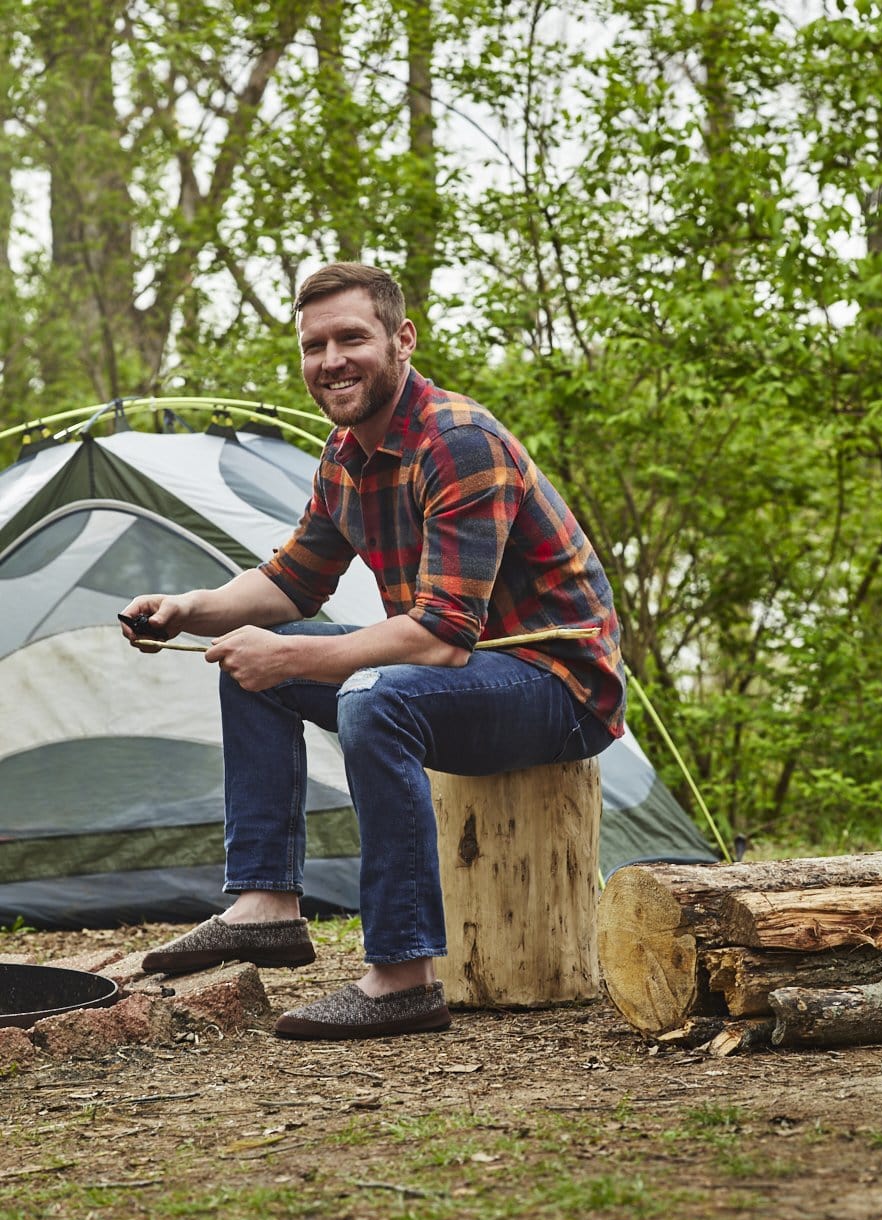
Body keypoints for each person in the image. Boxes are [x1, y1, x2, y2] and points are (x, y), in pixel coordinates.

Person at [122, 262, 626, 1041]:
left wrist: (291, 658)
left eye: (351, 338)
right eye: (314, 345)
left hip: (558, 686)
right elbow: (292, 582)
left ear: (402, 340)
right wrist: (189, 609)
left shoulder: (458, 443)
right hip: (467, 677)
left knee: (371, 696)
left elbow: (439, 637)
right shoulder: (345, 456)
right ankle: (266, 905)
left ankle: (402, 979)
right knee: (253, 663)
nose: (331, 361)